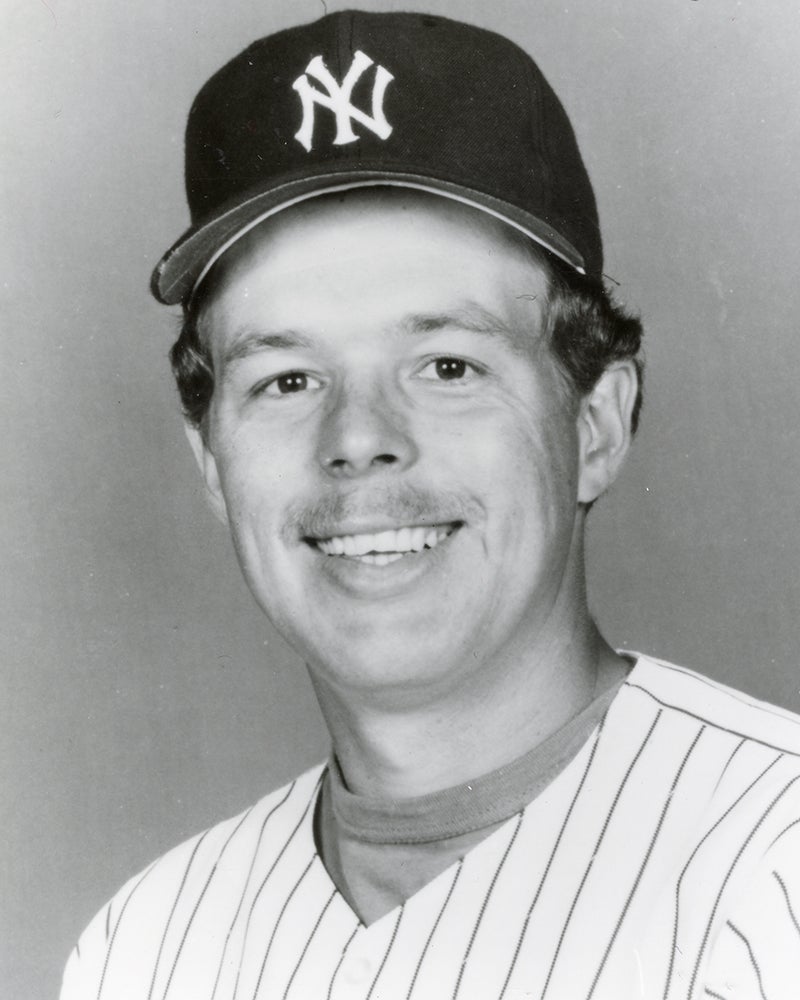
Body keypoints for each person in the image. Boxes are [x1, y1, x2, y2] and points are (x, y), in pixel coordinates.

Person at [61, 11, 800, 999]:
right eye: (285, 378)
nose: (358, 436)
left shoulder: (771, 874)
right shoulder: (142, 947)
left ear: (595, 424)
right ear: (210, 462)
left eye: (446, 364)